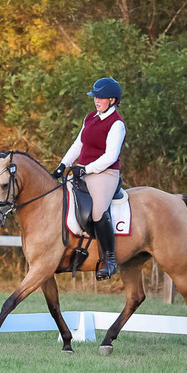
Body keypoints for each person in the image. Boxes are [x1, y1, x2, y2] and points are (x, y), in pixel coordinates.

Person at [53, 77, 126, 280]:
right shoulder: (90, 117)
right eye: (95, 97)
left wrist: (86, 169)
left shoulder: (117, 124)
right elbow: (79, 144)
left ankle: (109, 260)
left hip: (105, 173)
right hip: (83, 171)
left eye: (101, 98)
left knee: (97, 212)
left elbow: (110, 156)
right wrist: (63, 165)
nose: (96, 101)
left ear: (112, 100)